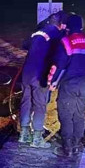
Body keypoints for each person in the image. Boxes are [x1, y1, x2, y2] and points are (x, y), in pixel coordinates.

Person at [51, 14, 85, 156]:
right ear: (82, 26)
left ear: (68, 27)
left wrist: (53, 82)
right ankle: (77, 144)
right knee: (79, 114)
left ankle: (67, 147)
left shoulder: (66, 41)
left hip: (69, 84)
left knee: (66, 114)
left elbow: (60, 65)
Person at [18, 12, 65, 148]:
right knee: (40, 105)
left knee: (26, 102)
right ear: (61, 25)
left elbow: (25, 45)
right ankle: (37, 138)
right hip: (41, 75)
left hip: (26, 73)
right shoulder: (58, 35)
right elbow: (59, 57)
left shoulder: (37, 33)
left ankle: (24, 134)